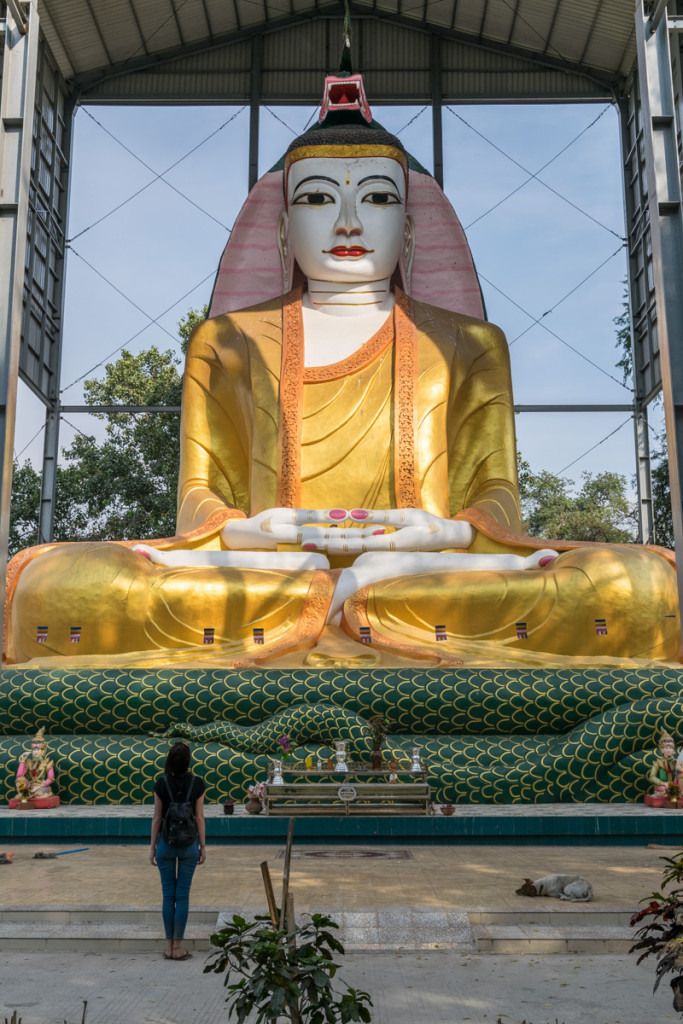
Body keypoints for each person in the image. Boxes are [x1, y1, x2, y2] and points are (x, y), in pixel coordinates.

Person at [4, 78, 679, 668]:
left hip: (421, 568)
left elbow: (495, 496)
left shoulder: (470, 344)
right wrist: (260, 534)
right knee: (62, 587)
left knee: (638, 586)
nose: (350, 222)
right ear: (280, 231)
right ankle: (337, 604)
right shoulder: (227, 341)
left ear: (410, 233)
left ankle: (352, 602)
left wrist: (430, 536)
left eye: (379, 200)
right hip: (268, 566)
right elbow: (200, 500)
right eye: (320, 199)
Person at [150, 741, 206, 961]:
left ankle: (168, 946)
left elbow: (156, 818)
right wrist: (203, 846)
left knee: (168, 895)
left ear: (169, 760)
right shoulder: (197, 783)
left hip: (166, 843)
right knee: (182, 896)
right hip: (189, 845)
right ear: (188, 761)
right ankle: (178, 948)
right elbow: (200, 817)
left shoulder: (161, 783)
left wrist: (152, 846)